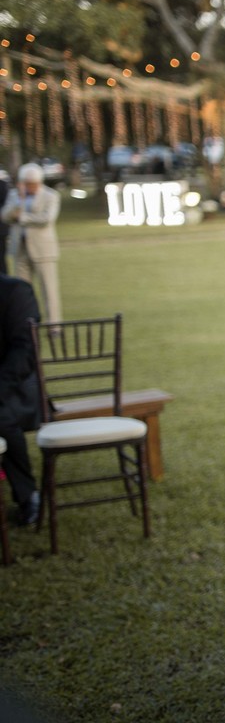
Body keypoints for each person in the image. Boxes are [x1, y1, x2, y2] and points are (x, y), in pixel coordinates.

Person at [0, 275, 42, 528]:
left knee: (1, 418)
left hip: (15, 387)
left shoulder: (16, 291)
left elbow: (24, 353)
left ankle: (27, 496)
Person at [2, 163, 62, 323]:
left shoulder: (50, 196)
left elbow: (46, 219)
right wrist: (19, 202)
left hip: (43, 250)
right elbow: (5, 216)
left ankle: (54, 325)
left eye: (33, 184)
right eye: (27, 184)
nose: (30, 187)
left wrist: (22, 218)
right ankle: (26, 325)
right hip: (20, 249)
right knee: (21, 291)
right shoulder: (15, 196)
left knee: (49, 290)